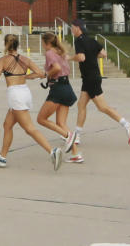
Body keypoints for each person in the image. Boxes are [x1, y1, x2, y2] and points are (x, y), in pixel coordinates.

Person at [0, 33, 63, 170]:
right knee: (7, 125)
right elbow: (41, 73)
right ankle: (2, 157)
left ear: (6, 45)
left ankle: (53, 151)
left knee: (29, 129)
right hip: (25, 93)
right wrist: (26, 76)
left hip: (15, 95)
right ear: (18, 45)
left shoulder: (3, 60)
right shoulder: (25, 59)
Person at [70, 18, 130, 145]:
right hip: (91, 77)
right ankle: (77, 136)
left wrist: (69, 57)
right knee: (81, 105)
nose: (71, 30)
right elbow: (104, 54)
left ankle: (128, 125)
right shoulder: (92, 40)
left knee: (102, 107)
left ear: (78, 28)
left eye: (72, 27)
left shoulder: (78, 41)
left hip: (90, 78)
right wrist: (91, 55)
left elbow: (81, 57)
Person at [36, 32, 83, 164]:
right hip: (66, 87)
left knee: (41, 119)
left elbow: (56, 68)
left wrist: (46, 74)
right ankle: (76, 154)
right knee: (61, 123)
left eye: (42, 42)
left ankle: (69, 137)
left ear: (47, 43)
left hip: (58, 89)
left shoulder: (50, 53)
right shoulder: (59, 52)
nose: (42, 45)